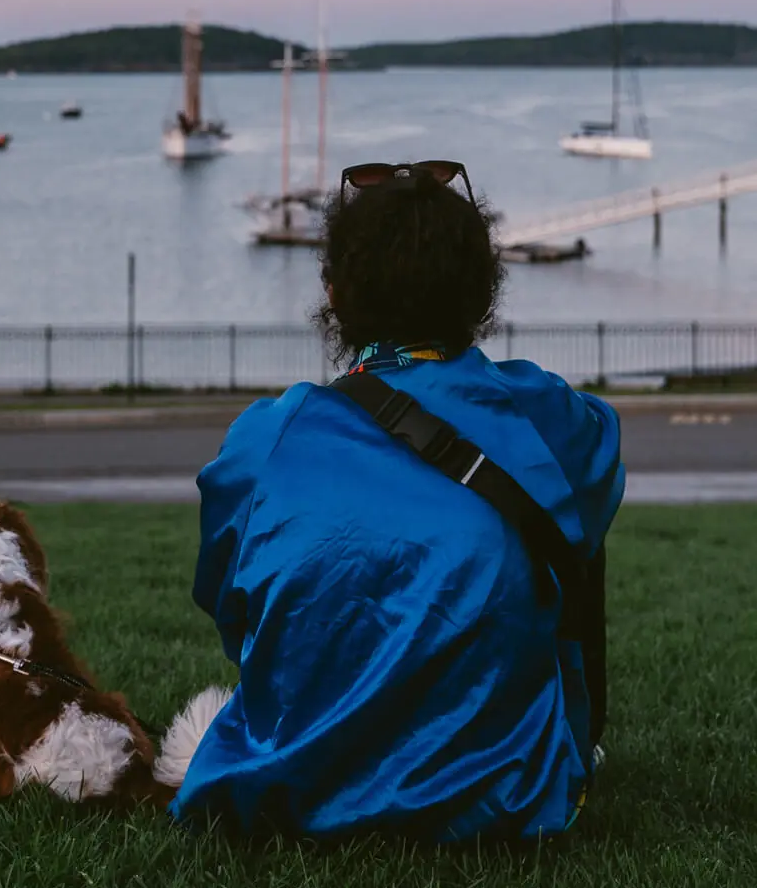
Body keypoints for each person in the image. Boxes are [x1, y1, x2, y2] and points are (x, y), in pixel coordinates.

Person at [171, 160, 624, 843]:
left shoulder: (267, 439)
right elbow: (596, 481)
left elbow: (228, 604)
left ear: (335, 292)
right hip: (507, 797)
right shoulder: (550, 415)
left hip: (294, 790)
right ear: (483, 291)